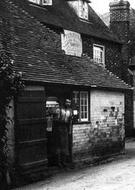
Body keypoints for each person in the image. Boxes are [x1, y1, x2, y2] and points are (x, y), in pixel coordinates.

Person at [53, 99, 73, 167]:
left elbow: (70, 121)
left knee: (65, 145)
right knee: (59, 145)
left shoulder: (70, 110)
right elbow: (55, 119)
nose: (68, 103)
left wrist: (69, 130)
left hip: (65, 128)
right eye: (67, 102)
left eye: (69, 102)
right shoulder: (59, 109)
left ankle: (63, 161)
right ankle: (58, 162)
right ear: (64, 102)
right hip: (59, 127)